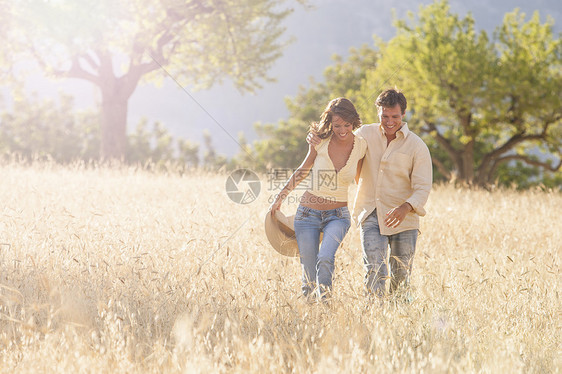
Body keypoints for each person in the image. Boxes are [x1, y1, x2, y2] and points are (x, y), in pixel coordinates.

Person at [307, 89, 432, 299]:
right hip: (370, 213)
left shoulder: (417, 146)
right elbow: (341, 136)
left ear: (403, 115)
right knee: (375, 269)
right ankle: (374, 316)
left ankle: (397, 321)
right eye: (384, 116)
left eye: (395, 116)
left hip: (405, 219)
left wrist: (406, 207)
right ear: (378, 113)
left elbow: (423, 187)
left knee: (401, 275)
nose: (389, 121)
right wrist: (317, 136)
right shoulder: (365, 134)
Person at [269, 97, 367, 301]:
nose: (342, 130)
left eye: (347, 125)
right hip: (307, 214)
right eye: (337, 125)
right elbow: (303, 170)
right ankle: (313, 314)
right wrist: (280, 196)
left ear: (354, 123)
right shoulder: (319, 141)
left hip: (338, 216)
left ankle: (327, 303)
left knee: (325, 258)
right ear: (330, 123)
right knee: (309, 274)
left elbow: (365, 177)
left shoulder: (361, 146)